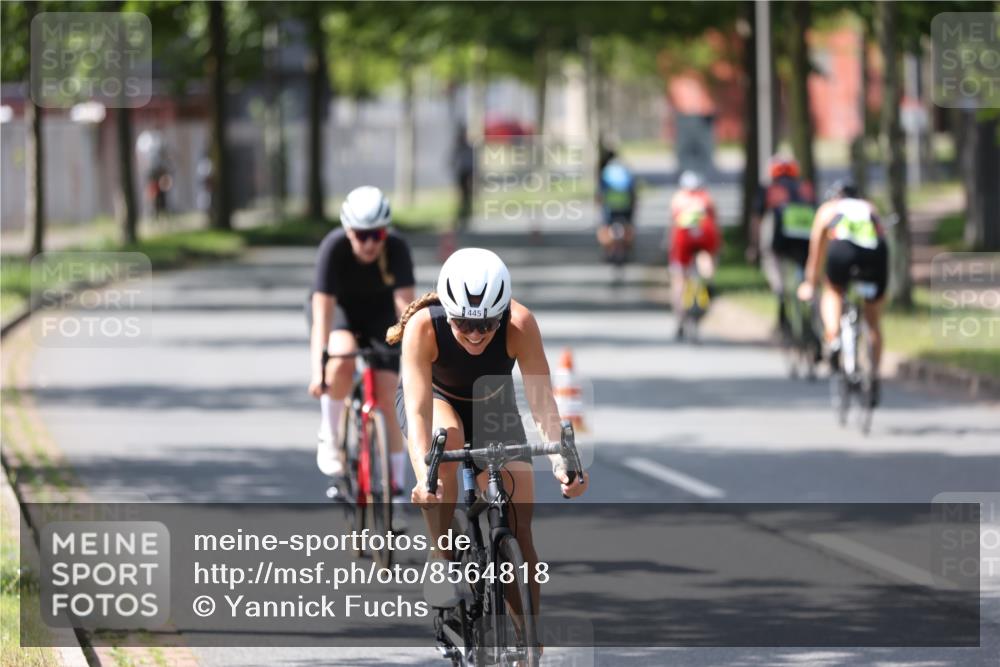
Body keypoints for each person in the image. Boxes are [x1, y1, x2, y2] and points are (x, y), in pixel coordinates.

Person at [387, 248, 589, 611]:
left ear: (502, 315)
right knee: (448, 437)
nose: (476, 334)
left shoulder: (520, 324)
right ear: (447, 313)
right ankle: (441, 556)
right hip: (435, 399)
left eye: (486, 324)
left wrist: (563, 464)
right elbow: (417, 413)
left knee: (520, 529)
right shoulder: (423, 327)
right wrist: (423, 479)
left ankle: (529, 646)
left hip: (491, 403)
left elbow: (543, 404)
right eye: (463, 323)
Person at [308, 186, 415, 494]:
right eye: (360, 235)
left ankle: (394, 484)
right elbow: (322, 318)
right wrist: (319, 371)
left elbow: (405, 312)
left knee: (389, 390)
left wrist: (414, 362)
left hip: (379, 316)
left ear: (386, 232)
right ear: (347, 230)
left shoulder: (397, 249)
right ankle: (330, 436)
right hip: (340, 312)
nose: (369, 243)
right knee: (341, 355)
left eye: (376, 235)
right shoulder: (333, 248)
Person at [796, 179, 889, 405]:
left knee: (834, 290)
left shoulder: (829, 209)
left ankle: (834, 334)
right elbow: (883, 240)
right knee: (873, 322)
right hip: (875, 257)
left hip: (842, 252)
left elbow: (816, 250)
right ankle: (874, 375)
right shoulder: (870, 208)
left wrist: (810, 282)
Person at [750, 155, 817, 334]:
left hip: (780, 240)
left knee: (772, 262)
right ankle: (811, 310)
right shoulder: (806, 188)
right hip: (805, 239)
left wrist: (754, 247)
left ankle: (780, 295)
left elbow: (757, 219)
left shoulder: (769, 189)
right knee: (806, 273)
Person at [669, 170, 721, 336]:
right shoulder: (707, 198)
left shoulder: (678, 198)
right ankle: (709, 285)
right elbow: (716, 223)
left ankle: (680, 316)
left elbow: (672, 224)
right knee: (706, 263)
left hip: (682, 240)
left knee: (679, 279)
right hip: (705, 239)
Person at [595, 148, 637, 257]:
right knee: (628, 225)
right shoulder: (625, 171)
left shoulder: (606, 171)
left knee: (605, 226)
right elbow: (633, 191)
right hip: (626, 203)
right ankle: (628, 246)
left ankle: (607, 249)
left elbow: (600, 192)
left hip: (610, 204)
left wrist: (598, 204)